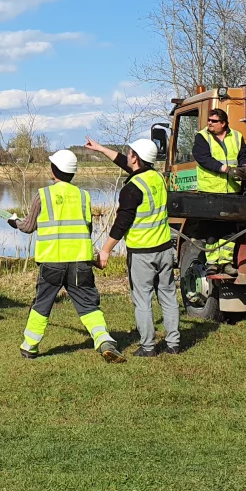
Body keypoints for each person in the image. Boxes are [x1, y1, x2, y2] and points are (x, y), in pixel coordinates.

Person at [7, 149, 125, 363]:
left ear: (54, 170)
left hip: (52, 262)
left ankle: (30, 346)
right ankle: (104, 340)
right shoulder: (84, 196)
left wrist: (13, 222)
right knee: (88, 305)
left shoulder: (43, 195)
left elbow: (27, 226)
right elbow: (86, 230)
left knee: (42, 304)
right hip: (80, 262)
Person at [86, 137, 180, 357]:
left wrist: (106, 249)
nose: (127, 155)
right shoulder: (156, 177)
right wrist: (100, 149)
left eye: (130, 153)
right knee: (167, 295)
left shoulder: (132, 189)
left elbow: (122, 223)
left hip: (142, 254)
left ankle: (148, 347)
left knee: (143, 301)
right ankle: (173, 343)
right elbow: (125, 162)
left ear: (136, 158)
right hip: (165, 248)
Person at [194, 107, 246, 275]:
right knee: (211, 229)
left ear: (223, 123)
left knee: (229, 229)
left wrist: (243, 168)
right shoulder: (202, 137)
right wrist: (225, 169)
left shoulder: (237, 137)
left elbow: (243, 156)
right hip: (210, 190)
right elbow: (203, 158)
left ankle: (226, 262)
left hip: (231, 190)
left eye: (214, 121)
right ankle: (212, 263)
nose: (210, 123)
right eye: (209, 120)